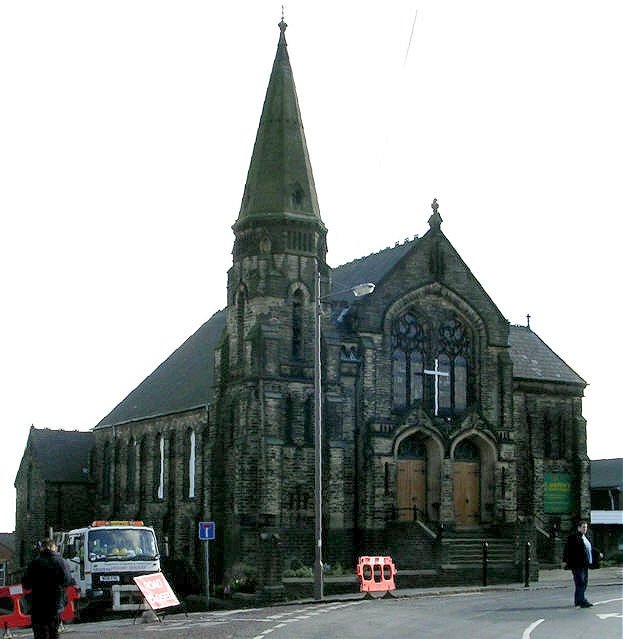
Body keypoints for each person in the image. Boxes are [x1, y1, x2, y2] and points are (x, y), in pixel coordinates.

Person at [22, 538, 74, 639]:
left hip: (38, 604)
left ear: (42, 548)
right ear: (53, 547)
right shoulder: (61, 562)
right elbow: (67, 580)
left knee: (40, 634)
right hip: (55, 603)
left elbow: (26, 583)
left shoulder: (34, 563)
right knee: (53, 633)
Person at [562, 520, 602, 608]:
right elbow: (567, 550)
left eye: (586, 527)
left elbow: (590, 548)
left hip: (585, 564)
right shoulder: (573, 537)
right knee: (581, 582)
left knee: (582, 583)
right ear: (579, 528)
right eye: (583, 527)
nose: (585, 529)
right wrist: (565, 561)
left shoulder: (585, 537)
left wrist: (598, 553)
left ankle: (578, 601)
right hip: (577, 564)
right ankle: (582, 601)